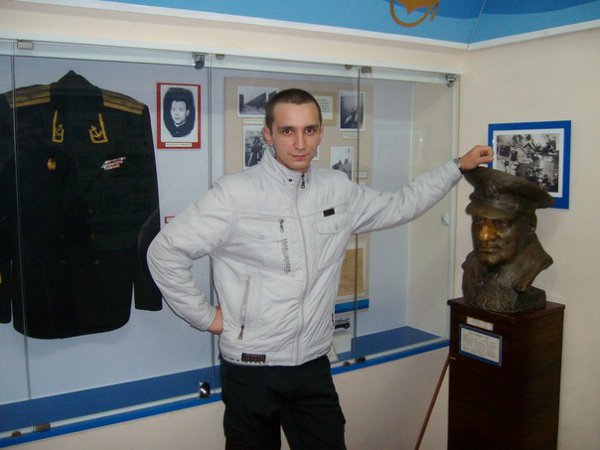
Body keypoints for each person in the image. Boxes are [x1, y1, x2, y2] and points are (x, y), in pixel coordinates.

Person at [147, 88, 493, 449]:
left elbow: (401, 205)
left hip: (312, 364)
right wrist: (206, 317)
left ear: (320, 133)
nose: (300, 143)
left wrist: (456, 167)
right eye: (287, 131)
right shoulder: (234, 195)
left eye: (309, 130)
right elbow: (164, 252)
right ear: (268, 135)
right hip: (252, 368)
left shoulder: (336, 189)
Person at [461, 167, 554, 313]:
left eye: (502, 223)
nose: (484, 236)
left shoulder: (528, 270)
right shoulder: (472, 267)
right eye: (478, 221)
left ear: (531, 226)